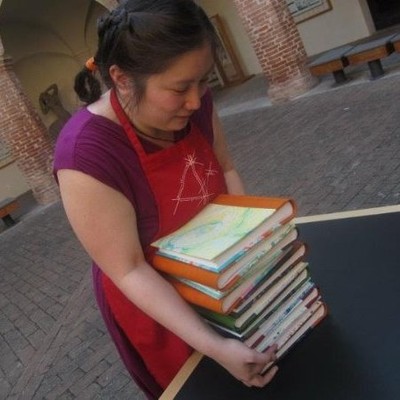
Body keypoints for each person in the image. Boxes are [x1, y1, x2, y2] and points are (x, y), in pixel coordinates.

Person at [53, 0, 278, 398]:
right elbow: (129, 270)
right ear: (122, 79)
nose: (196, 102)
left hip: (220, 276)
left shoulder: (196, 106)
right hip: (157, 304)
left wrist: (249, 259)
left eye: (203, 81)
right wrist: (216, 347)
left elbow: (227, 170)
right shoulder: (86, 152)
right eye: (179, 88)